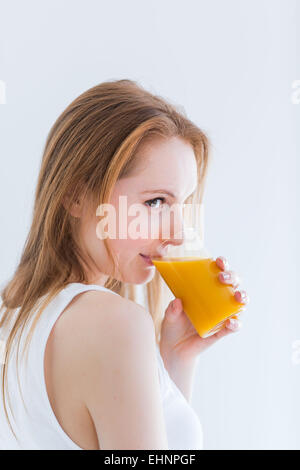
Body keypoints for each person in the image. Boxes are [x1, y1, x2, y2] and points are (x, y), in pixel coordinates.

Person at [0, 79, 249, 450]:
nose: (178, 233)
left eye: (182, 203)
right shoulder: (115, 322)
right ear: (76, 196)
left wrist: (174, 359)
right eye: (155, 202)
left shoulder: (14, 314)